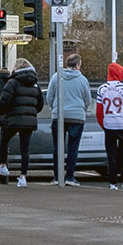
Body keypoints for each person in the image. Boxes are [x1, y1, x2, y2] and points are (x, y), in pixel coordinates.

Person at [0, 58, 44, 187]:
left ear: (17, 68)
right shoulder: (35, 84)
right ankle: (23, 176)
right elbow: (40, 104)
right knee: (25, 149)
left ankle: (3, 165)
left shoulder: (12, 82)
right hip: (29, 120)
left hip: (12, 119)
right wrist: (31, 112)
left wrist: (3, 113)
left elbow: (5, 100)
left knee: (4, 141)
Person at [48, 53, 90, 186]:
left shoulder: (56, 77)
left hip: (59, 115)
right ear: (78, 65)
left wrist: (54, 108)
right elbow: (87, 99)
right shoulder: (83, 79)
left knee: (57, 147)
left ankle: (57, 176)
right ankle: (70, 177)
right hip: (77, 116)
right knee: (73, 147)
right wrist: (82, 109)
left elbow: (50, 96)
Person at [95, 62, 123, 190]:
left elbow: (99, 110)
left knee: (111, 154)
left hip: (109, 124)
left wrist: (103, 124)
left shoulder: (102, 89)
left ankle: (112, 182)